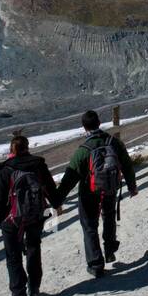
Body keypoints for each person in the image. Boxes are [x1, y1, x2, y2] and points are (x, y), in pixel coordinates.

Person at [56, 110, 139, 278]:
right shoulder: (113, 142)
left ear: (84, 127)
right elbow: (127, 165)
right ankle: (109, 250)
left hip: (89, 192)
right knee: (109, 216)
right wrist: (132, 186)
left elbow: (69, 179)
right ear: (99, 123)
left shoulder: (83, 150)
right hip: (110, 188)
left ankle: (95, 265)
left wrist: (57, 201)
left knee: (89, 226)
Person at [0, 135, 61, 296]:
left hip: (12, 220)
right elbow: (50, 188)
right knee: (34, 248)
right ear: (28, 147)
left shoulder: (7, 170)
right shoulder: (38, 165)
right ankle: (34, 287)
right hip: (36, 216)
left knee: (13, 258)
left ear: (11, 150)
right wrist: (57, 205)